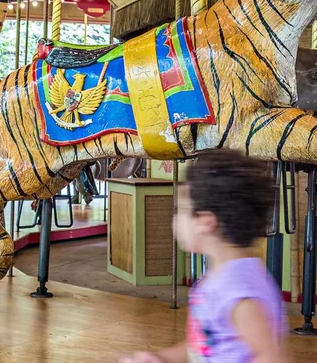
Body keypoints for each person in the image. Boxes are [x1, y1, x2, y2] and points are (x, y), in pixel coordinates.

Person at [121, 150, 288, 363]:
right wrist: (161, 358)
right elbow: (203, 346)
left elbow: (271, 357)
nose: (175, 220)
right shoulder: (220, 278)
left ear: (205, 221)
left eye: (179, 210)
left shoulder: (239, 290)